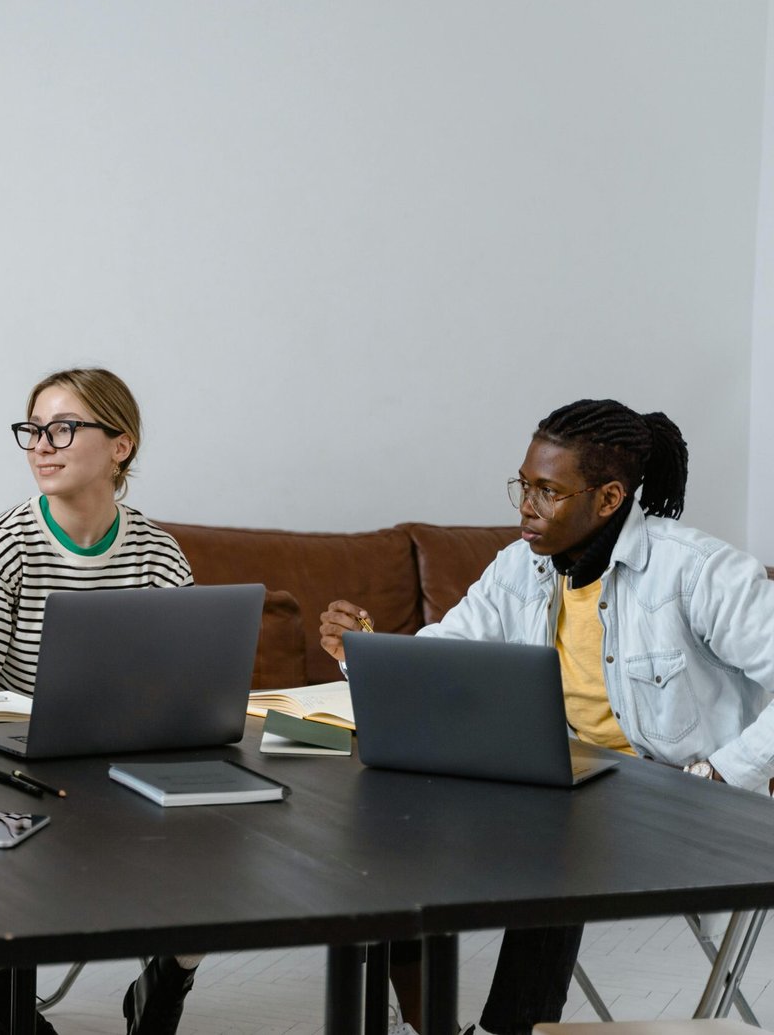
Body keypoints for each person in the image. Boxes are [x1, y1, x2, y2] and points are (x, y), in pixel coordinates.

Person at [319, 398, 774, 1035]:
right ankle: (429, 1024)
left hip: (690, 800)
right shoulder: (523, 565)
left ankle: (509, 1028)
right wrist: (362, 655)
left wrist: (722, 776)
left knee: (563, 844)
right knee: (399, 820)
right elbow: (447, 652)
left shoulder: (698, 571)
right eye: (523, 486)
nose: (525, 507)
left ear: (609, 498)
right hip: (576, 780)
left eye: (547, 491)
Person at [0, 367, 200, 1035]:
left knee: (216, 841)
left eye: (63, 428)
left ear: (121, 445)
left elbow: (185, 691)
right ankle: (9, 1014)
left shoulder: (160, 555)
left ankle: (162, 989)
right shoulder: (5, 543)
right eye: (33, 430)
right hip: (13, 770)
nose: (42, 445)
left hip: (123, 771)